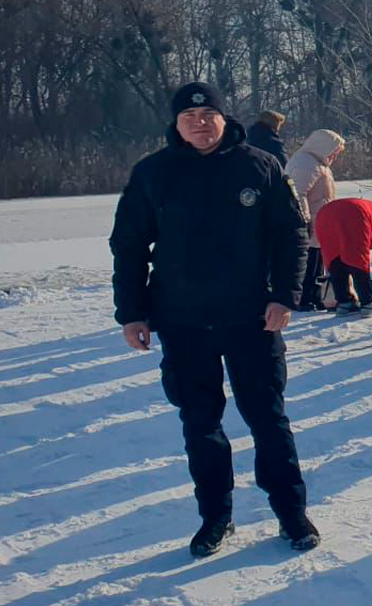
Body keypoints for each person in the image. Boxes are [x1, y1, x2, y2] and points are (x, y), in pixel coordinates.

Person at [110, 82, 319, 557]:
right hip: (183, 321)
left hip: (251, 319)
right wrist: (132, 312)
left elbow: (291, 234)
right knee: (200, 424)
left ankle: (292, 512)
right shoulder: (153, 173)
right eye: (189, 118)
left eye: (208, 116)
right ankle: (215, 518)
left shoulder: (259, 167)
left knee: (268, 418)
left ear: (224, 118)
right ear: (176, 124)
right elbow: (127, 245)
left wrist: (284, 296)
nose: (200, 124)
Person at [285, 129, 345, 312]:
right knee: (310, 261)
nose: (335, 155)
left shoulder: (316, 163)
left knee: (317, 260)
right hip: (311, 222)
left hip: (320, 220)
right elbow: (298, 194)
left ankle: (315, 296)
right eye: (335, 151)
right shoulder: (307, 164)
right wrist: (305, 220)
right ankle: (305, 297)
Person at [315, 198, 372, 317]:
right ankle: (368, 303)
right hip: (355, 213)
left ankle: (344, 303)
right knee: (357, 260)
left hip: (324, 215)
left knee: (335, 258)